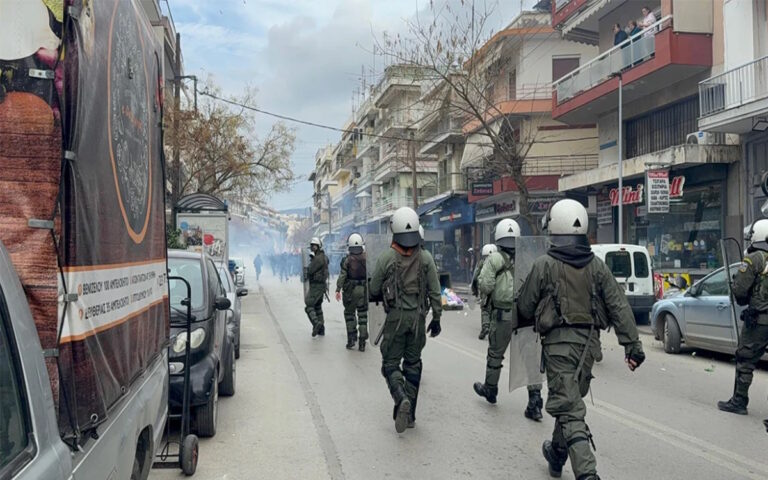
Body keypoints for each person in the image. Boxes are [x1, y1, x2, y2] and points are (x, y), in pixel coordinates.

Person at [517, 199, 645, 480]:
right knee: (570, 402)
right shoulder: (597, 267)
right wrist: (632, 346)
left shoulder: (544, 265)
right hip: (588, 349)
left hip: (558, 349)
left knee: (570, 410)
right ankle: (556, 453)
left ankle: (587, 473)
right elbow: (618, 305)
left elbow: (524, 307)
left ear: (555, 227)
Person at [369, 207, 442, 433]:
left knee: (390, 364)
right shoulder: (426, 257)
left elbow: (373, 289)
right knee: (413, 364)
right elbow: (435, 291)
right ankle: (410, 416)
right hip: (418, 320)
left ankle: (400, 398)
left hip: (396, 319)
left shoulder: (386, 258)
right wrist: (437, 318)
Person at [472, 219, 543, 421]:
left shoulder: (494, 259)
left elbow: (485, 285)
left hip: (503, 315)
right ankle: (535, 401)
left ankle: (491, 389)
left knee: (495, 354)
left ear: (498, 237)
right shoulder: (528, 257)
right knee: (530, 358)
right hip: (526, 315)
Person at [717, 220, 768, 433]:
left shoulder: (755, 259)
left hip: (760, 321)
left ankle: (739, 401)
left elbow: (739, 290)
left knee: (745, 358)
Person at [336, 233, 369, 351]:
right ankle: (362, 341)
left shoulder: (347, 260)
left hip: (350, 291)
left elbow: (342, 276)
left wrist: (338, 289)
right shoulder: (367, 258)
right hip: (364, 290)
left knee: (349, 314)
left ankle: (351, 339)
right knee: (363, 315)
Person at [472, 243, 497, 340]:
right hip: (497, 290)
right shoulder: (499, 262)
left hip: (485, 290)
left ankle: (485, 327)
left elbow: (475, 276)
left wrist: (474, 288)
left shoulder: (482, 263)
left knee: (485, 308)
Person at [304, 237, 329, 337]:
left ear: (318, 247)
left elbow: (310, 270)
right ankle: (321, 329)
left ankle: (316, 323)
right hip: (321, 285)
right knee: (318, 307)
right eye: (312, 246)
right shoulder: (323, 257)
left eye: (314, 246)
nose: (312, 248)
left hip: (316, 285)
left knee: (309, 305)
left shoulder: (318, 258)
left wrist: (312, 260)